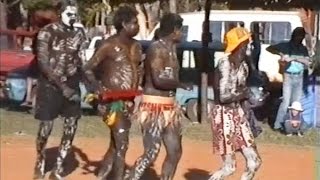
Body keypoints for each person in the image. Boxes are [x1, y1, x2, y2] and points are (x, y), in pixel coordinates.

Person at [125, 13, 192, 180]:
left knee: (175, 151)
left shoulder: (172, 49)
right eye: (181, 30)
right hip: (153, 106)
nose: (182, 34)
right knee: (151, 152)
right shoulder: (157, 48)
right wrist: (180, 84)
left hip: (170, 107)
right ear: (174, 30)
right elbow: (158, 79)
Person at [82, 5, 142, 180]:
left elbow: (139, 71)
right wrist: (97, 88)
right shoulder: (108, 44)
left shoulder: (137, 45)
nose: (137, 26)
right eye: (134, 23)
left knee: (116, 143)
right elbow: (87, 69)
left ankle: (102, 175)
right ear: (123, 24)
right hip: (110, 102)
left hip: (129, 101)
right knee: (122, 142)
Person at [32, 1, 87, 179]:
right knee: (45, 127)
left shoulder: (79, 33)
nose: (72, 17)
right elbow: (43, 63)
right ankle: (40, 161)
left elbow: (81, 61)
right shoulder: (47, 32)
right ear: (60, 13)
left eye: (75, 14)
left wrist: (91, 83)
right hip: (50, 85)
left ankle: (59, 166)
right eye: (69, 13)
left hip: (72, 83)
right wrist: (61, 86)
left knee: (71, 125)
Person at [208, 27, 262, 180]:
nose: (248, 48)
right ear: (240, 46)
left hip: (237, 113)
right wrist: (244, 94)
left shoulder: (243, 67)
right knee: (229, 168)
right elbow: (224, 97)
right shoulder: (224, 64)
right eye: (246, 44)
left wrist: (252, 103)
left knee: (254, 161)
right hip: (223, 115)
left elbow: (241, 91)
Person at [266, 27, 311, 131]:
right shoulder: (285, 46)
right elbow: (269, 48)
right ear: (294, 35)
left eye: (301, 36)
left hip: (299, 76)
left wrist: (294, 58)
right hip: (288, 75)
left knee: (296, 103)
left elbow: (307, 62)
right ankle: (278, 124)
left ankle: (293, 126)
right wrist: (280, 54)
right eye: (298, 35)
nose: (299, 38)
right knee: (285, 101)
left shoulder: (303, 49)